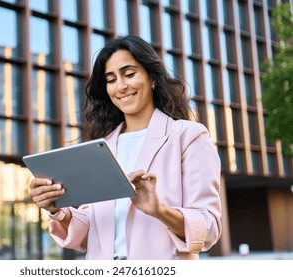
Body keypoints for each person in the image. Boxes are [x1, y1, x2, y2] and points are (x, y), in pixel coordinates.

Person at [29, 35, 222, 260]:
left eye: (129, 74)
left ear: (152, 78)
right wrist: (56, 209)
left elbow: (208, 228)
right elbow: (90, 230)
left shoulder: (188, 136)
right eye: (111, 79)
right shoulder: (101, 149)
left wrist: (160, 211)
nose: (121, 86)